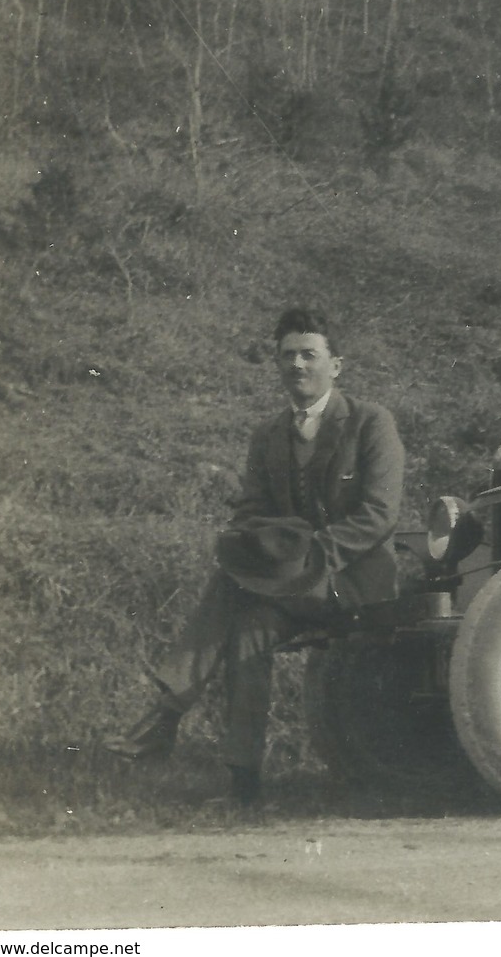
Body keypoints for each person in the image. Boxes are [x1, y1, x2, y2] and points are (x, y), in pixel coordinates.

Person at [103, 307, 405, 805]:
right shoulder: (268, 435)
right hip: (292, 585)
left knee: (229, 587)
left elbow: (379, 515)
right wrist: (251, 545)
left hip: (354, 581)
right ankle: (245, 788)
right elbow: (251, 511)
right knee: (248, 629)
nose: (298, 366)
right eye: (288, 356)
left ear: (337, 366)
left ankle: (163, 716)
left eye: (310, 355)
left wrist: (310, 552)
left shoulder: (371, 424)